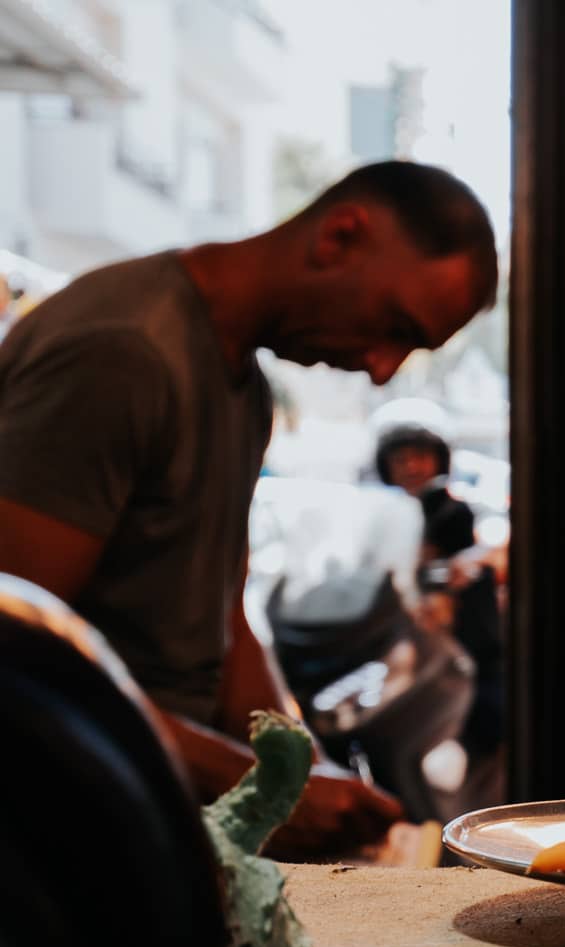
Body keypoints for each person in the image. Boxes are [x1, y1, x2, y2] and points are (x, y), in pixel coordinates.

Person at [0, 161, 497, 854]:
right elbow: (17, 656)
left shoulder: (244, 387)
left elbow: (225, 620)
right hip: (57, 830)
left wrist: (300, 763)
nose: (382, 369)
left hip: (147, 812)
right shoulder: (122, 351)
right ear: (339, 236)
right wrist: (255, 783)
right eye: (394, 326)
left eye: (409, 355)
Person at [376, 423, 505, 761]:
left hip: (466, 644)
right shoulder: (385, 517)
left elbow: (453, 570)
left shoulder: (450, 509)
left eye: (420, 457)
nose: (411, 467)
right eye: (401, 459)